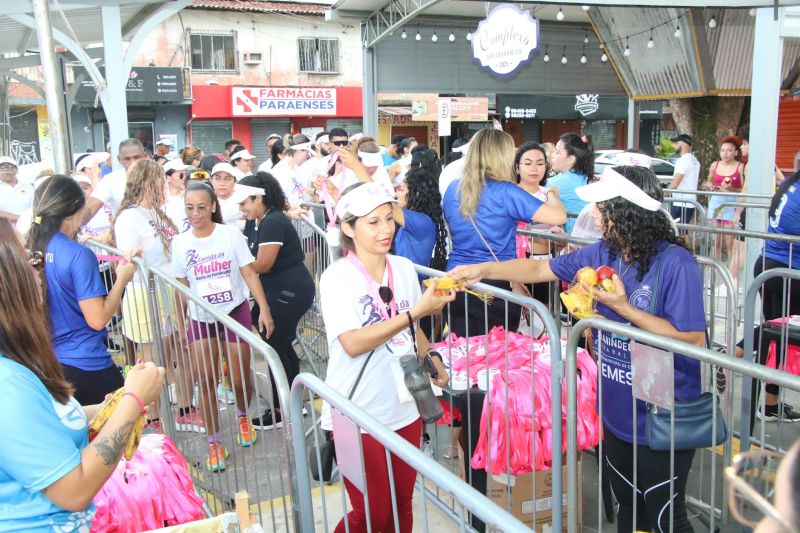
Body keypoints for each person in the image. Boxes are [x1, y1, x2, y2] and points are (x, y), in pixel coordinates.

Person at [450, 165, 707, 533]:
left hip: (661, 412)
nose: (595, 216)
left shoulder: (676, 263)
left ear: (625, 210)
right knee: (630, 510)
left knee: (667, 516)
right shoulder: (604, 252)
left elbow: (691, 338)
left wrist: (623, 308)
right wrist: (484, 268)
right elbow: (542, 270)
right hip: (616, 408)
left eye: (602, 208)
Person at [0, 218, 165, 532]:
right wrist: (133, 400)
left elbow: (48, 421)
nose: (39, 271)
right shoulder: (6, 383)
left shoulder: (15, 364)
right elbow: (73, 490)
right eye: (30, 260)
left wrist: (110, 406)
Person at [320, 182, 452, 532]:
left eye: (389, 219)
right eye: (372, 222)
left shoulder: (403, 267)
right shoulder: (337, 278)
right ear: (348, 228)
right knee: (372, 513)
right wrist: (415, 313)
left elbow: (413, 331)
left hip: (405, 404)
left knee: (401, 505)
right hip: (354, 411)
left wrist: (431, 356)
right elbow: (352, 342)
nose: (386, 229)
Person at [171, 180, 273, 472]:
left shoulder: (230, 235)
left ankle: (243, 416)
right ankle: (214, 442)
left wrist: (263, 308)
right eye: (190, 208)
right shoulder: (180, 243)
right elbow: (181, 287)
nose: (196, 214)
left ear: (213, 206)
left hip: (234, 312)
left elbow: (250, 274)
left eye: (202, 207)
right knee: (206, 381)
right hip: (200, 319)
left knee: (240, 379)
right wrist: (181, 325)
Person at [26, 175, 142, 405]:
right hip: (86, 363)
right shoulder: (77, 254)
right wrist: (122, 279)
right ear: (76, 210)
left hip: (47, 361)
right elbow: (97, 319)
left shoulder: (31, 246)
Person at [442, 128, 566, 338]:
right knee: (498, 359)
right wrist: (552, 193)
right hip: (495, 283)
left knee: (462, 356)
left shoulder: (453, 188)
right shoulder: (507, 192)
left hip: (455, 280)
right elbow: (559, 217)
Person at [238, 173, 316, 430]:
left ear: (258, 198)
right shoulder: (258, 220)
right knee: (280, 345)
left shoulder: (272, 222)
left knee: (275, 344)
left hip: (289, 291)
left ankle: (282, 410)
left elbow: (262, 264)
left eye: (244, 202)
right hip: (282, 290)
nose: (241, 208)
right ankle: (291, 404)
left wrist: (238, 265)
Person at [735, 169, 800, 422]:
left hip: (771, 266)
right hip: (789, 273)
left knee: (777, 334)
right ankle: (731, 355)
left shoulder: (790, 183)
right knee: (779, 335)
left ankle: (733, 354)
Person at [513, 142, 554, 306]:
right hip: (516, 263)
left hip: (545, 263)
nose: (534, 168)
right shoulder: (509, 194)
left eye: (540, 163)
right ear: (517, 167)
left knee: (543, 317)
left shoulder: (549, 195)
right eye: (528, 163)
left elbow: (558, 226)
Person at [85, 138, 149, 219]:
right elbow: (90, 208)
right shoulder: (110, 180)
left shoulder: (159, 177)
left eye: (137, 157)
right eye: (127, 159)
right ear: (119, 159)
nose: (133, 163)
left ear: (145, 156)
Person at [547, 132, 594, 233]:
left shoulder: (557, 182)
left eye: (557, 152)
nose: (552, 155)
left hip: (573, 241)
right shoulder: (583, 177)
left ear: (570, 159)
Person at [705, 135, 745, 225]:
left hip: (732, 203)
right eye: (722, 150)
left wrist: (730, 188)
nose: (725, 153)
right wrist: (710, 186)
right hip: (716, 202)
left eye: (729, 150)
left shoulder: (741, 167)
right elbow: (709, 181)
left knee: (729, 235)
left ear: (736, 153)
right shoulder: (714, 165)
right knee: (715, 236)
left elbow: (744, 189)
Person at [667, 134, 701, 224]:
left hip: (680, 202)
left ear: (684, 144)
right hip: (690, 201)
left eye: (677, 143)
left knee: (677, 230)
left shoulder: (682, 161)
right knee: (683, 231)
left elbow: (675, 183)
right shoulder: (695, 161)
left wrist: (662, 194)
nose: (674, 145)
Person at [0, 155, 34, 223]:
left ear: (16, 170)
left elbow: (36, 208)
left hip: (27, 229)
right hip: (4, 231)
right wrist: (22, 219)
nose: (7, 171)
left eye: (10, 167)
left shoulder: (28, 187)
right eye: (2, 168)